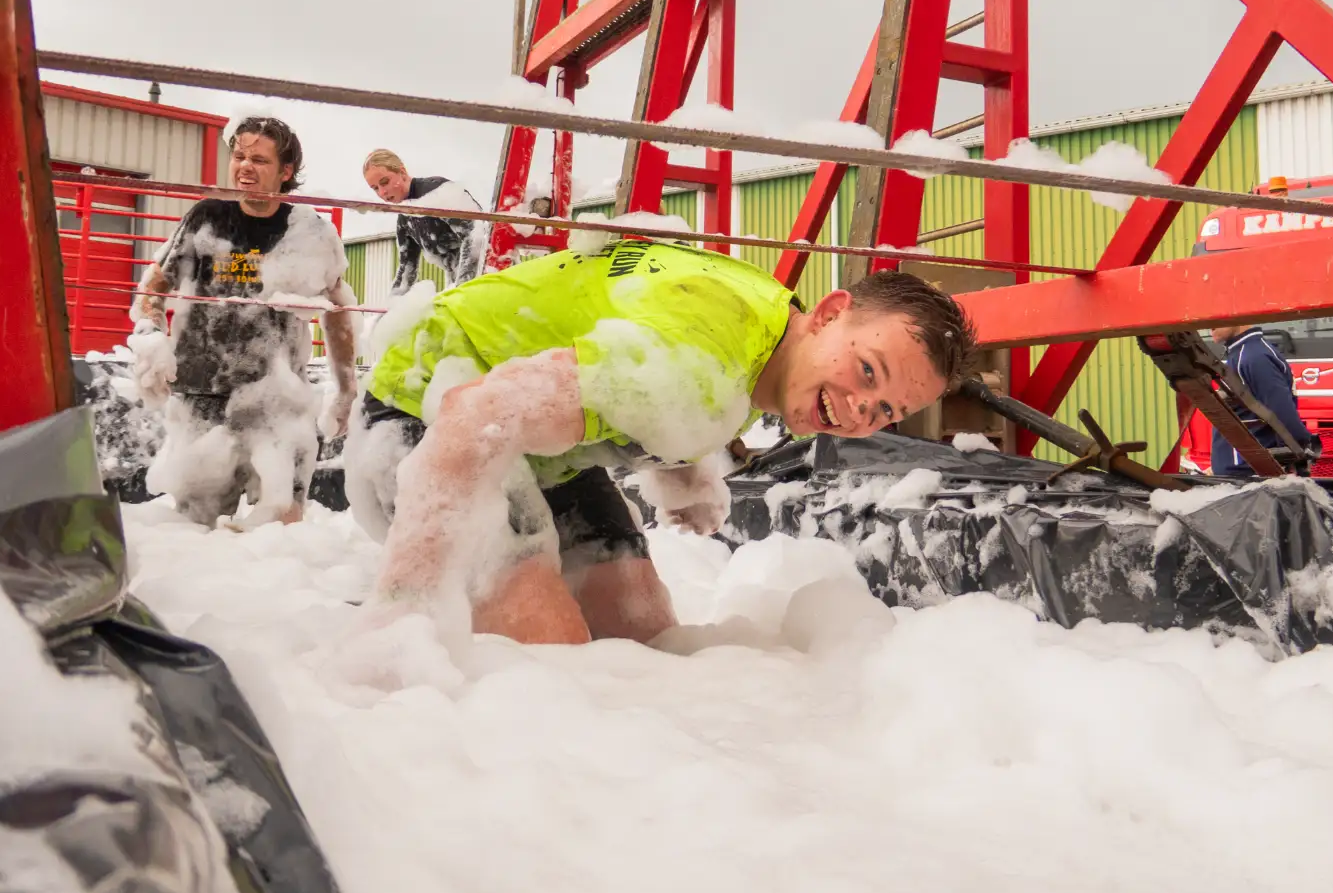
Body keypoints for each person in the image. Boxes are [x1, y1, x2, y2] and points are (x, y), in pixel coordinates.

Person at [342, 236, 975, 645]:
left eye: (887, 411)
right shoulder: (700, 365)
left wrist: (684, 476)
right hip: (420, 403)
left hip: (530, 440)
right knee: (549, 651)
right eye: (868, 371)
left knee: (643, 629)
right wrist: (404, 606)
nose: (862, 410)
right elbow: (476, 414)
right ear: (831, 313)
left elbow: (645, 373)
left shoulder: (764, 323)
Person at [131, 117, 358, 527]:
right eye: (239, 156)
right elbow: (156, 284)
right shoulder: (208, 218)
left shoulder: (309, 232)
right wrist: (150, 337)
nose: (245, 167)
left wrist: (345, 389)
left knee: (283, 528)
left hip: (278, 399)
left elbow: (337, 313)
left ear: (285, 171)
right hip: (203, 393)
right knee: (195, 529)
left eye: (259, 160)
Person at [361, 148, 486, 295]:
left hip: (489, 274)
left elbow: (476, 235)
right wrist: (391, 305)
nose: (382, 192)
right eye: (375, 188)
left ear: (402, 172)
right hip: (459, 283)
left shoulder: (439, 192)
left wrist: (463, 290)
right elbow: (405, 272)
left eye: (385, 182)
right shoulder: (405, 219)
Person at [1207, 323, 1320, 479]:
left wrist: (1297, 452)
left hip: (1249, 475)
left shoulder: (1254, 357)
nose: (1209, 324)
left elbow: (1282, 415)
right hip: (1244, 470)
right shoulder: (1243, 352)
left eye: (1216, 314)